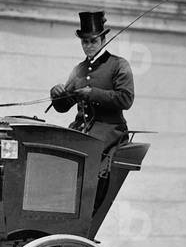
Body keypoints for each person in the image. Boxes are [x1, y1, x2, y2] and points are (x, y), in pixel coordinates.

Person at [50, 11, 135, 152]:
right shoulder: (79, 69)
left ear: (103, 40)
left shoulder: (119, 64)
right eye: (85, 41)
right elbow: (63, 106)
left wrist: (93, 93)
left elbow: (126, 99)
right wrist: (56, 94)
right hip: (80, 132)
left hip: (110, 135)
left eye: (93, 41)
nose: (88, 46)